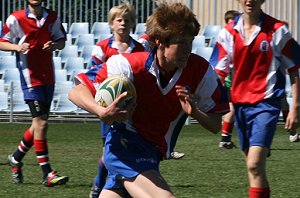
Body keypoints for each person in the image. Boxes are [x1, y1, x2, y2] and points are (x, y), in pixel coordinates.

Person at [69, 2, 229, 197]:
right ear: (160, 41)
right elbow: (77, 91)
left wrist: (194, 112)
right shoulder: (128, 65)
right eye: (182, 42)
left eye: (191, 41)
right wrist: (101, 111)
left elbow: (215, 124)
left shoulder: (200, 71)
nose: (189, 49)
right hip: (124, 146)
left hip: (152, 154)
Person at [210, 0, 300, 197]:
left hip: (266, 104)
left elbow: (294, 68)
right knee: (254, 169)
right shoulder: (228, 32)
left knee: (254, 164)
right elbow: (219, 71)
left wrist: (295, 108)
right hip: (240, 106)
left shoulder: (277, 30)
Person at [0, 0, 69, 186]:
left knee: (37, 125)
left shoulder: (52, 17)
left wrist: (54, 45)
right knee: (42, 123)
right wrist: (17, 47)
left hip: (48, 76)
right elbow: (2, 41)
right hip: (30, 77)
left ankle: (15, 158)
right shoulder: (16, 18)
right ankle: (47, 173)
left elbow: (62, 41)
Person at [88, 2, 145, 198]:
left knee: (129, 147)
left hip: (134, 108)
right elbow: (94, 78)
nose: (123, 23)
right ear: (111, 24)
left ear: (133, 24)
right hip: (110, 107)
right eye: (119, 20)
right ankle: (99, 186)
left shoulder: (140, 48)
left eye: (127, 20)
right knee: (109, 149)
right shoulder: (102, 48)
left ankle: (118, 186)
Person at [218, 10, 240, 149]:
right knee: (232, 110)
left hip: (235, 81)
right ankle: (225, 138)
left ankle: (226, 138)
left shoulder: (238, 36)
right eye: (231, 22)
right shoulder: (226, 36)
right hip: (231, 81)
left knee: (232, 110)